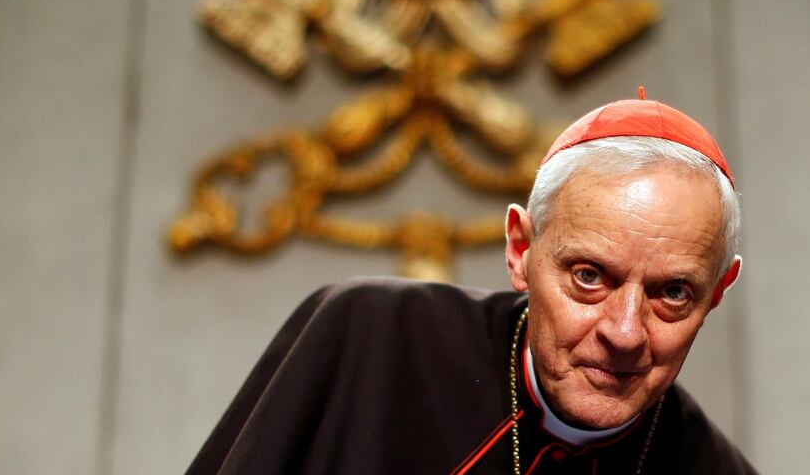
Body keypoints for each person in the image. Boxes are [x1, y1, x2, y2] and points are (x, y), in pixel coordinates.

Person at [185, 92, 757, 474]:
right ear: (521, 251)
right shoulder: (367, 336)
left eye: (672, 293)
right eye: (588, 277)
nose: (625, 333)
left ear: (716, 293)